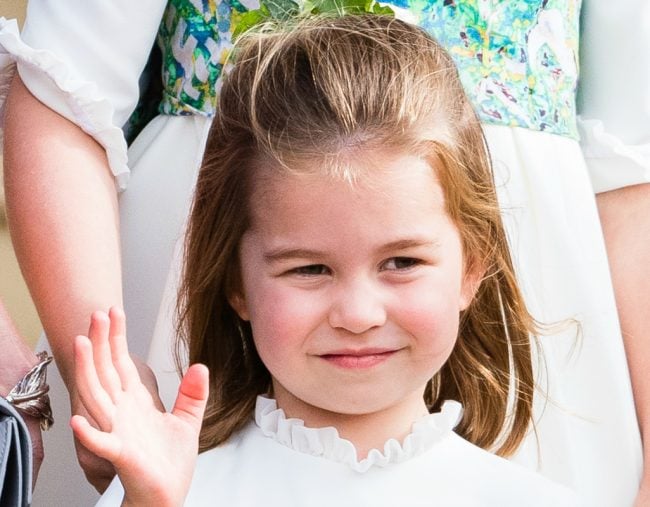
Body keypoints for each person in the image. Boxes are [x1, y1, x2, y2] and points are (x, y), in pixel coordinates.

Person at [0, 1, 642, 505]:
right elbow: (67, 81)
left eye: (402, 263)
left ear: (477, 266)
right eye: (310, 269)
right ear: (234, 282)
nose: (359, 313)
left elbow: (633, 164)